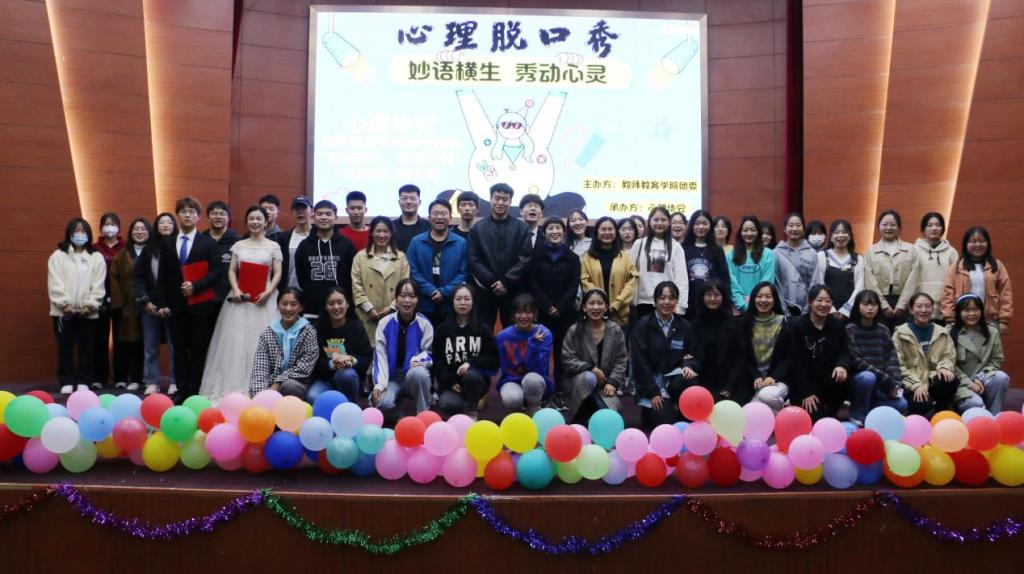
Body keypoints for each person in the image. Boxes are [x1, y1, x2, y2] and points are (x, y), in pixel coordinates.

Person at [200, 205, 283, 403]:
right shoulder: (239, 245)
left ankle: (261, 389)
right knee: (235, 343)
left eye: (259, 219)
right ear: (246, 222)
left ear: (266, 222)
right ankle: (233, 388)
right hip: (240, 299)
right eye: (251, 218)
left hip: (264, 299)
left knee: (261, 342)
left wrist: (268, 292)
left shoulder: (273, 246)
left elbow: (278, 272)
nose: (255, 222)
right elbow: (231, 270)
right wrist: (236, 289)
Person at [157, 197, 223, 401]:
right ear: (177, 215)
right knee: (178, 350)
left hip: (201, 305)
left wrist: (196, 286)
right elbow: (162, 276)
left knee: (198, 350)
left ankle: (195, 390)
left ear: (198, 216)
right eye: (183, 211)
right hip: (175, 306)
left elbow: (217, 272)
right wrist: (162, 303)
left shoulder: (208, 243)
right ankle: (182, 389)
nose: (187, 215)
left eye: (191, 211)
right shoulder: (167, 243)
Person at [49, 218, 106, 395]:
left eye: (83, 231)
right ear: (69, 233)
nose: (80, 234)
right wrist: (64, 304)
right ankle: (66, 380)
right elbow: (54, 282)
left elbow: (99, 284)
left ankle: (83, 380)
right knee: (65, 347)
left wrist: (91, 304)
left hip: (88, 312)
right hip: (63, 312)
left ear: (89, 234)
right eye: (76, 231)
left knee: (86, 348)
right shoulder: (58, 256)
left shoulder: (96, 257)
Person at [631, 281, 699, 428]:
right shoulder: (643, 326)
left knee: (690, 380)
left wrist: (688, 365)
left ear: (676, 301)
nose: (667, 302)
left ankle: (680, 408)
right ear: (655, 301)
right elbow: (639, 363)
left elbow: (692, 354)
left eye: (671, 298)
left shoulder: (685, 326)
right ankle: (651, 412)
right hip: (653, 385)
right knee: (667, 423)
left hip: (674, 381)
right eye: (662, 298)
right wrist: (653, 392)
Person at [467, 182, 532, 328]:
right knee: (483, 331)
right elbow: (473, 259)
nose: (501, 203)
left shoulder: (521, 228)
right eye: (497, 198)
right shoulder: (478, 228)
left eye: (505, 199)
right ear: (491, 199)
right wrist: (492, 282)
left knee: (514, 331)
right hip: (485, 290)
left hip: (513, 290)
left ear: (510, 202)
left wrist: (506, 282)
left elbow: (525, 258)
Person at [432, 284, 498, 419]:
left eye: (467, 299)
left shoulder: (483, 329)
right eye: (458, 299)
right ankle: (467, 404)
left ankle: (472, 411)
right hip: (452, 385)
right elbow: (437, 362)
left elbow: (493, 360)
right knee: (447, 404)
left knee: (471, 376)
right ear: (452, 302)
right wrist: (449, 382)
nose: (462, 303)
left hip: (476, 381)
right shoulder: (443, 330)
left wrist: (471, 363)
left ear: (473, 301)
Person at [371, 279, 434, 422]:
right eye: (403, 296)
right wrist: (380, 385)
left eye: (412, 296)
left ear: (418, 299)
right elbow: (380, 356)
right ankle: (398, 413)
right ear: (396, 299)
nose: (407, 301)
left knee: (419, 373)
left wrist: (418, 361)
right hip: (391, 378)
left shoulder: (425, 324)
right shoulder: (384, 323)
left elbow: (429, 353)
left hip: (411, 376)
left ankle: (423, 414)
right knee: (383, 403)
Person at [528, 217, 581, 384]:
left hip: (566, 313)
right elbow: (532, 283)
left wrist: (560, 307)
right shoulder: (536, 256)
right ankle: (542, 385)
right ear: (544, 233)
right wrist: (547, 306)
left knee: (562, 352)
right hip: (543, 312)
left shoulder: (573, 257)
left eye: (558, 228)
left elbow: (574, 284)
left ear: (564, 232)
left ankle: (560, 388)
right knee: (541, 350)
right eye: (550, 228)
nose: (555, 231)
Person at [561, 289, 625, 423]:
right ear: (584, 307)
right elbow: (567, 359)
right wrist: (591, 369)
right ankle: (580, 417)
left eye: (600, 303)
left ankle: (594, 413)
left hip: (605, 385)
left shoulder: (615, 330)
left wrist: (612, 382)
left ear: (606, 307)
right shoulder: (574, 330)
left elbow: (621, 360)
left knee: (610, 418)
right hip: (578, 383)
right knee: (589, 377)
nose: (596, 307)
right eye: (591, 303)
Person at [789, 286, 851, 420]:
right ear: (810, 302)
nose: (824, 304)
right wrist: (806, 392)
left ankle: (833, 411)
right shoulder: (798, 326)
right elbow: (795, 362)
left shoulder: (837, 325)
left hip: (828, 381)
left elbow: (845, 351)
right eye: (819, 300)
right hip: (805, 384)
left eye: (828, 301)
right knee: (815, 418)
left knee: (841, 379)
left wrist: (842, 365)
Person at [731, 281, 794, 411]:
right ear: (753, 299)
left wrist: (773, 377)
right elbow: (743, 355)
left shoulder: (785, 323)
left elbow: (790, 357)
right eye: (759, 296)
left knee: (766, 397)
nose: (763, 300)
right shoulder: (744, 323)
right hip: (752, 378)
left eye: (768, 297)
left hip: (778, 378)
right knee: (743, 409)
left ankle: (783, 414)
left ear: (775, 299)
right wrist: (756, 375)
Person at [132, 212, 177, 395]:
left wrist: (172, 304)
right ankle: (152, 381)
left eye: (169, 222)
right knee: (150, 347)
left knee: (175, 347)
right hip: (150, 306)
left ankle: (175, 381)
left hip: (173, 307)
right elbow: (138, 278)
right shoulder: (148, 250)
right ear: (156, 227)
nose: (165, 225)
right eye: (162, 222)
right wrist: (145, 301)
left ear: (174, 226)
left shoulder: (179, 247)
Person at [846, 290, 907, 424]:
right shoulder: (850, 329)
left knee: (902, 404)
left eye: (873, 305)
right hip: (861, 383)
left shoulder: (883, 330)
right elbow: (856, 361)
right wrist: (886, 380)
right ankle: (858, 415)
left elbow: (892, 359)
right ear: (857, 307)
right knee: (868, 377)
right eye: (865, 304)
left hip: (882, 385)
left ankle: (872, 412)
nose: (870, 308)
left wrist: (896, 384)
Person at [892, 293, 956, 415]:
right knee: (922, 406)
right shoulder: (900, 334)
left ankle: (942, 410)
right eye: (919, 306)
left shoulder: (942, 332)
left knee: (949, 379)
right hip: (912, 382)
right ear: (911, 309)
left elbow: (949, 356)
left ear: (933, 309)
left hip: (933, 379)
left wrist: (944, 367)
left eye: (927, 306)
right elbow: (898, 365)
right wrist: (915, 384)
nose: (923, 310)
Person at [249, 287, 319, 399]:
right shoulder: (268, 333)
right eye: (284, 304)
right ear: (277, 306)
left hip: (299, 382)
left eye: (293, 304)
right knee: (258, 392)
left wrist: (278, 383)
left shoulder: (308, 331)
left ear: (301, 307)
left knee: (289, 386)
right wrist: (260, 395)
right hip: (271, 384)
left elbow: (304, 368)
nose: (288, 308)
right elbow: (260, 367)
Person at [941, 226, 1013, 333]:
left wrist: (1004, 320)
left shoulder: (997, 266)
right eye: (973, 241)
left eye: (982, 241)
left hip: (989, 321)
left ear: (988, 244)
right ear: (965, 244)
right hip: (961, 321)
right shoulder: (956, 267)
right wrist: (950, 319)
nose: (978, 245)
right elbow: (948, 294)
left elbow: (1005, 294)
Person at [407, 200, 467, 325]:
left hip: (451, 305)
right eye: (435, 213)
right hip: (424, 305)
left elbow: (464, 273)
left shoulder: (461, 243)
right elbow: (412, 271)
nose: (439, 217)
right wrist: (431, 291)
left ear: (450, 217)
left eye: (443, 213)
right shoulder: (416, 242)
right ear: (429, 218)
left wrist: (444, 292)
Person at [352, 216, 410, 343]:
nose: (382, 235)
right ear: (371, 233)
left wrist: (392, 307)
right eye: (378, 231)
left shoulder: (400, 258)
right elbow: (356, 287)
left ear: (391, 234)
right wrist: (369, 309)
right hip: (367, 316)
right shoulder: (360, 257)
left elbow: (405, 288)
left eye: (385, 231)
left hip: (393, 314)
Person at [295, 199, 357, 318]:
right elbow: (301, 277)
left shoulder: (347, 245)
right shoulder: (304, 246)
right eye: (320, 214)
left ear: (336, 217)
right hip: (312, 308)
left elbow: (353, 277)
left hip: (340, 309)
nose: (324, 217)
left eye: (328, 214)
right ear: (313, 217)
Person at [109, 218, 151, 392]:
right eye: (136, 229)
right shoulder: (122, 255)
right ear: (130, 232)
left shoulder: (154, 252)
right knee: (128, 343)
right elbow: (114, 280)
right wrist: (120, 305)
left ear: (149, 232)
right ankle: (128, 378)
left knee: (148, 343)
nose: (139, 232)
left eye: (143, 229)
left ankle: (146, 378)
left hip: (149, 305)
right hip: (128, 307)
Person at [310, 288, 372, 404]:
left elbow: (366, 358)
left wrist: (350, 360)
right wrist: (332, 364)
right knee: (313, 396)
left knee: (345, 374)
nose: (336, 307)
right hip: (326, 379)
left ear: (347, 304)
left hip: (350, 378)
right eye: (331, 303)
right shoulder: (318, 328)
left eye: (340, 302)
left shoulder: (356, 327)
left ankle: (350, 407)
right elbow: (313, 361)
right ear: (325, 306)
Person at [950, 294, 1009, 414]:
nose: (971, 314)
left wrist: (979, 379)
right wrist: (968, 382)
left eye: (975, 309)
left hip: (983, 378)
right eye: (966, 310)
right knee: (975, 403)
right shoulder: (949, 332)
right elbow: (949, 363)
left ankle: (994, 416)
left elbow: (996, 360)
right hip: (961, 383)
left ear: (981, 311)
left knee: (1001, 377)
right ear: (959, 312)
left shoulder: (992, 331)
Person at [495, 293, 554, 415]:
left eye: (528, 312)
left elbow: (539, 370)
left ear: (535, 314)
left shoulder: (543, 334)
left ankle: (533, 409)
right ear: (513, 314)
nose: (523, 316)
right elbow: (493, 363)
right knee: (512, 399)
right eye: (519, 312)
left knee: (531, 379)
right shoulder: (502, 337)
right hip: (511, 381)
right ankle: (518, 415)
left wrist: (532, 345)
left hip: (536, 380)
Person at [864, 209, 920, 330]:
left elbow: (913, 279)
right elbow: (869, 280)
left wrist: (902, 305)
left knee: (904, 336)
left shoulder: (911, 250)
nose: (888, 228)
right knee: (880, 336)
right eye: (884, 224)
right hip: (878, 302)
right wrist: (883, 305)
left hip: (904, 302)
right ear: (879, 226)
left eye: (893, 224)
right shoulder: (870, 251)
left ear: (899, 227)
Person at [631, 206, 688, 320]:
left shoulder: (676, 247)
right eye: (656, 220)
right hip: (643, 303)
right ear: (650, 222)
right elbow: (630, 274)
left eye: (663, 220)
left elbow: (682, 279)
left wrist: (680, 306)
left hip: (667, 303)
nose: (659, 223)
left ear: (669, 223)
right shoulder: (639, 244)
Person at [580, 216, 638, 326]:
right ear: (597, 232)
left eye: (610, 229)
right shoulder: (586, 257)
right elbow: (584, 281)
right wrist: (599, 303)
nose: (607, 232)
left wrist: (616, 304)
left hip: (619, 314)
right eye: (603, 229)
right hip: (594, 313)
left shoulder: (625, 257)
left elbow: (630, 284)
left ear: (615, 232)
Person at [92, 212, 125, 389]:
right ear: (101, 227)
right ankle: (99, 377)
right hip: (99, 298)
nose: (109, 228)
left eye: (113, 224)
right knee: (99, 339)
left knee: (121, 339)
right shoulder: (94, 248)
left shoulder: (126, 247)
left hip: (121, 299)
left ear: (119, 227)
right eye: (106, 224)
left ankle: (121, 377)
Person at [692, 281, 738, 399]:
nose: (713, 299)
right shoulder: (695, 323)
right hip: (701, 379)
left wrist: (731, 384)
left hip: (729, 379)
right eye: (708, 295)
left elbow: (741, 357)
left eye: (717, 295)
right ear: (702, 297)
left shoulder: (734, 323)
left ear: (723, 297)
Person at [681, 209, 728, 319]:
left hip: (712, 302)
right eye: (697, 223)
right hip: (688, 302)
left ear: (710, 226)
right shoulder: (683, 248)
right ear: (691, 225)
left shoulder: (717, 250)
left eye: (705, 223)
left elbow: (724, 278)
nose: (701, 227)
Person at [775, 213, 824, 316]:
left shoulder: (812, 253)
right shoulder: (776, 253)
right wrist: (784, 310)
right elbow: (776, 284)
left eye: (798, 225)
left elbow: (816, 282)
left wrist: (807, 309)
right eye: (791, 225)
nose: (794, 228)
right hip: (782, 310)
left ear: (803, 228)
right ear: (784, 229)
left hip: (807, 310)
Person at [914, 212, 958, 323]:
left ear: (943, 229)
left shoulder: (951, 252)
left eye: (938, 225)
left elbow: (956, 280)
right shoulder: (914, 250)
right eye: (929, 225)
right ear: (923, 229)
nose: (934, 228)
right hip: (920, 306)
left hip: (944, 306)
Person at [728, 215, 776, 312]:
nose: (749, 233)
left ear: (758, 232)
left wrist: (758, 303)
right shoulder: (731, 255)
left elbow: (767, 281)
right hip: (738, 309)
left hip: (762, 306)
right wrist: (743, 305)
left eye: (753, 230)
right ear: (740, 232)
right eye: (745, 230)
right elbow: (732, 283)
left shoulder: (768, 254)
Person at [817, 219, 863, 318]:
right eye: (836, 232)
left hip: (851, 313)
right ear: (831, 237)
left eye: (844, 232)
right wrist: (830, 309)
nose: (840, 235)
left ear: (850, 236)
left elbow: (860, 287)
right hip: (825, 310)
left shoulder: (858, 259)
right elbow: (819, 283)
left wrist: (846, 310)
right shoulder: (822, 256)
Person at [203, 200, 240, 307]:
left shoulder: (237, 242)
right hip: (204, 295)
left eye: (222, 214)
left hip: (229, 295)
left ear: (228, 218)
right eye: (214, 213)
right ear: (208, 216)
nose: (218, 217)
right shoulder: (201, 239)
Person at [277, 196, 313, 291]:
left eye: (303, 208)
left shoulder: (319, 236)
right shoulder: (284, 239)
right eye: (297, 209)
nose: (300, 212)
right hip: (290, 292)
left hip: (313, 291)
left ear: (312, 211)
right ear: (292, 213)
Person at [392, 184, 429, 251]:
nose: (408, 202)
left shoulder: (429, 226)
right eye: (404, 198)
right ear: (399, 202)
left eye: (413, 198)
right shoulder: (391, 226)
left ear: (419, 202)